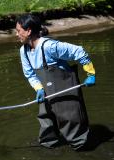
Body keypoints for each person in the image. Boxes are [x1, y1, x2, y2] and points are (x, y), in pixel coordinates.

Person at [16, 14, 96, 150]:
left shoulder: (49, 46)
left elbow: (79, 51)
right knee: (46, 120)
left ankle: (83, 150)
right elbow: (29, 74)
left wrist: (91, 73)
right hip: (45, 90)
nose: (16, 34)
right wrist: (38, 88)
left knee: (71, 120)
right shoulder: (24, 51)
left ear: (28, 31)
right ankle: (49, 149)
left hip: (64, 87)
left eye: (18, 31)